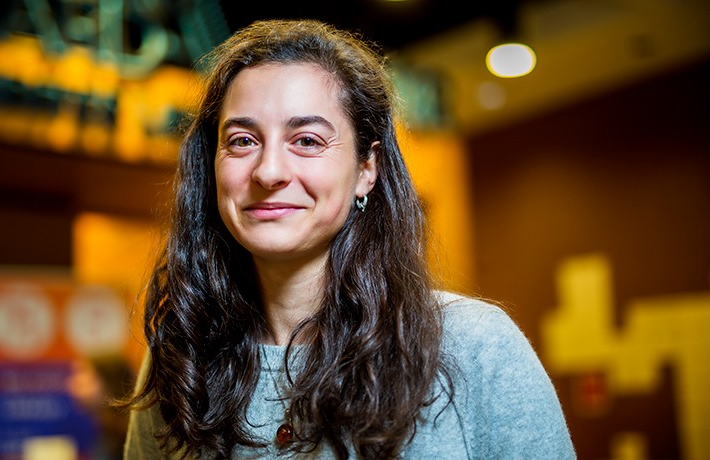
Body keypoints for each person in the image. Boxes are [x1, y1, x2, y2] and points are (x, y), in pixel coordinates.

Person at [123, 19, 575, 459]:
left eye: (307, 140)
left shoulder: (474, 346)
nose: (269, 171)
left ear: (366, 169)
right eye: (242, 140)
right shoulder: (181, 360)